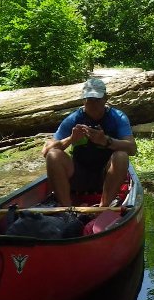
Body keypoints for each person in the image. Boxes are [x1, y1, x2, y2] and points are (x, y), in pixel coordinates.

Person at [43, 77, 137, 208]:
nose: (93, 104)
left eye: (97, 100)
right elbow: (46, 150)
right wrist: (71, 139)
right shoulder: (74, 118)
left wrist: (106, 141)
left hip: (107, 174)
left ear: (105, 98)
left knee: (121, 156)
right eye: (89, 100)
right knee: (53, 155)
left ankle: (103, 207)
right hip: (78, 173)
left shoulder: (117, 117)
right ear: (83, 100)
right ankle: (67, 209)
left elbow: (132, 148)